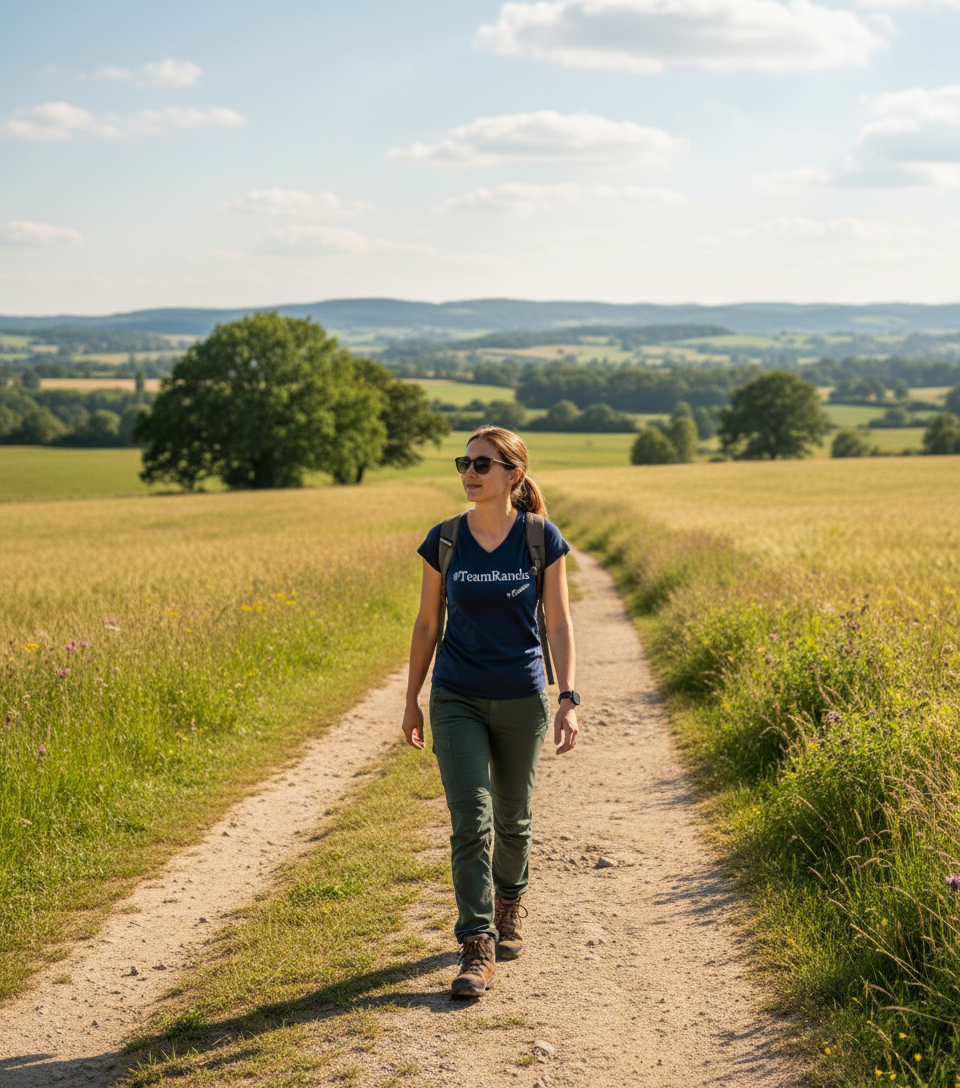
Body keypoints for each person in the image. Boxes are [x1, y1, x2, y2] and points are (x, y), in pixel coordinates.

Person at [402, 425, 579, 998]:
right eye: (465, 463)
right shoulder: (445, 539)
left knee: (513, 816)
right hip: (456, 695)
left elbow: (558, 623)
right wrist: (412, 699)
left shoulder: (540, 537)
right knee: (470, 820)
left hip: (522, 696)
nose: (470, 473)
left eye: (482, 464)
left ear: (513, 474)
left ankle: (509, 903)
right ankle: (476, 941)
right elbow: (427, 624)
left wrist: (567, 697)